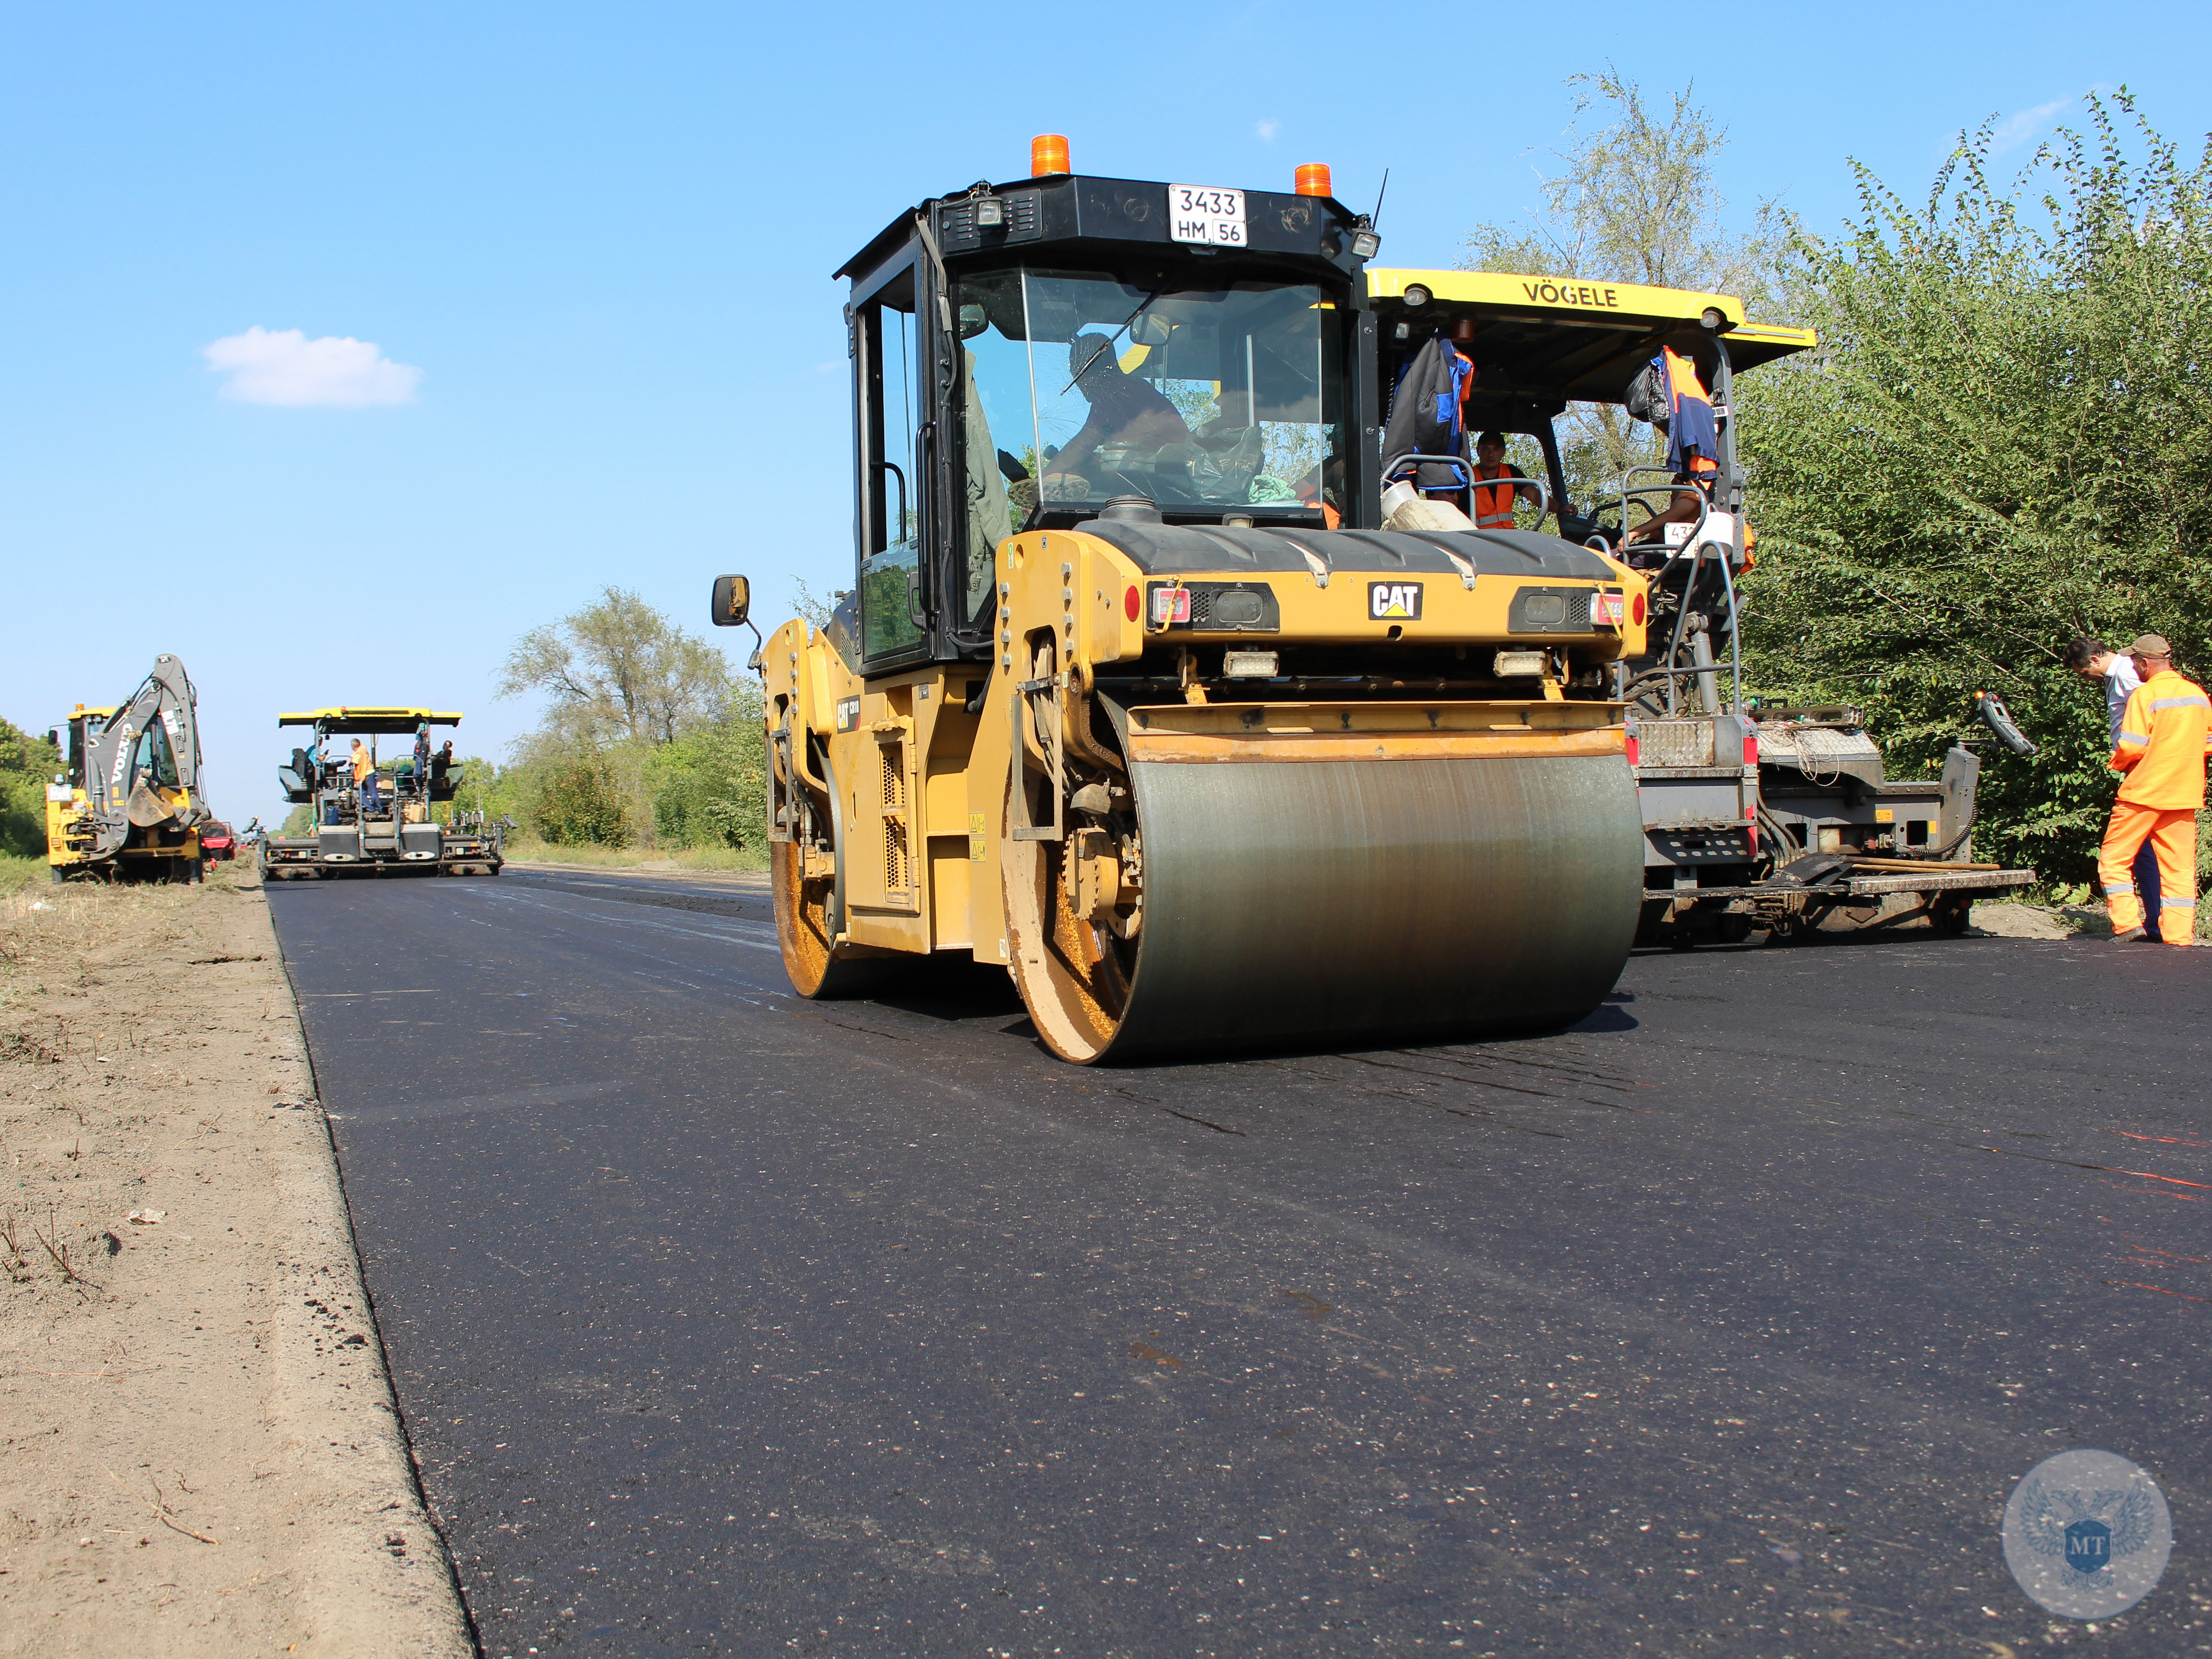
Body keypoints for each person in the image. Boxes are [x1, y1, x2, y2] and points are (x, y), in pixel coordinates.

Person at [2098, 634, 2212, 945]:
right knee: (2179, 868)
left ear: (2146, 663)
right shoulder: (2199, 695)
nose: (2133, 666)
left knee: (2114, 859)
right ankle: (2178, 938)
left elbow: (2132, 747)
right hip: (2184, 793)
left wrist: (2116, 762)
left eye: (2135, 661)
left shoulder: (2145, 696)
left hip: (2145, 792)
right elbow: (2206, 745)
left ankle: (2127, 925)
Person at [2065, 635, 2160, 938]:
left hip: (2145, 767)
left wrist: (2133, 754)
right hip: (2144, 766)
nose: (2086, 678)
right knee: (2147, 848)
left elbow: (2153, 712)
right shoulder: (2121, 675)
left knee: (2136, 849)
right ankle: (2156, 923)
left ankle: (2150, 922)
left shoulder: (2127, 674)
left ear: (2094, 659)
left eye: (2083, 672)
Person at [1041, 334, 1191, 496]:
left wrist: (1040, 486)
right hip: (1172, 483)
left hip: (1163, 490)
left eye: (1077, 374)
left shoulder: (1116, 392)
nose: (1077, 383)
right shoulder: (1136, 388)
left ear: (1092, 370)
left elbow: (1083, 445)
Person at [1625, 345, 1721, 549]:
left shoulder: (1701, 466)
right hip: (1668, 542)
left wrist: (1635, 532)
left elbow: (1683, 508)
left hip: (1684, 549)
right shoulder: (1688, 469)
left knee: (1626, 561)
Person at [1469, 431, 1541, 531]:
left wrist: (1560, 508)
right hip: (1476, 539)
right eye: (1486, 449)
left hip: (1507, 537)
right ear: (1478, 451)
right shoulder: (1467, 477)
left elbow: (1536, 497)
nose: (1491, 454)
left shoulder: (1511, 473)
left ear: (1503, 452)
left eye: (1496, 449)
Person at [350, 738, 382, 817]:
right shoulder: (363, 749)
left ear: (353, 746)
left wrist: (351, 760)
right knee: (364, 793)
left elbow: (355, 761)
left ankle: (377, 809)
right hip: (367, 773)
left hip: (367, 774)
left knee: (369, 793)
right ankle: (374, 809)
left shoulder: (360, 751)